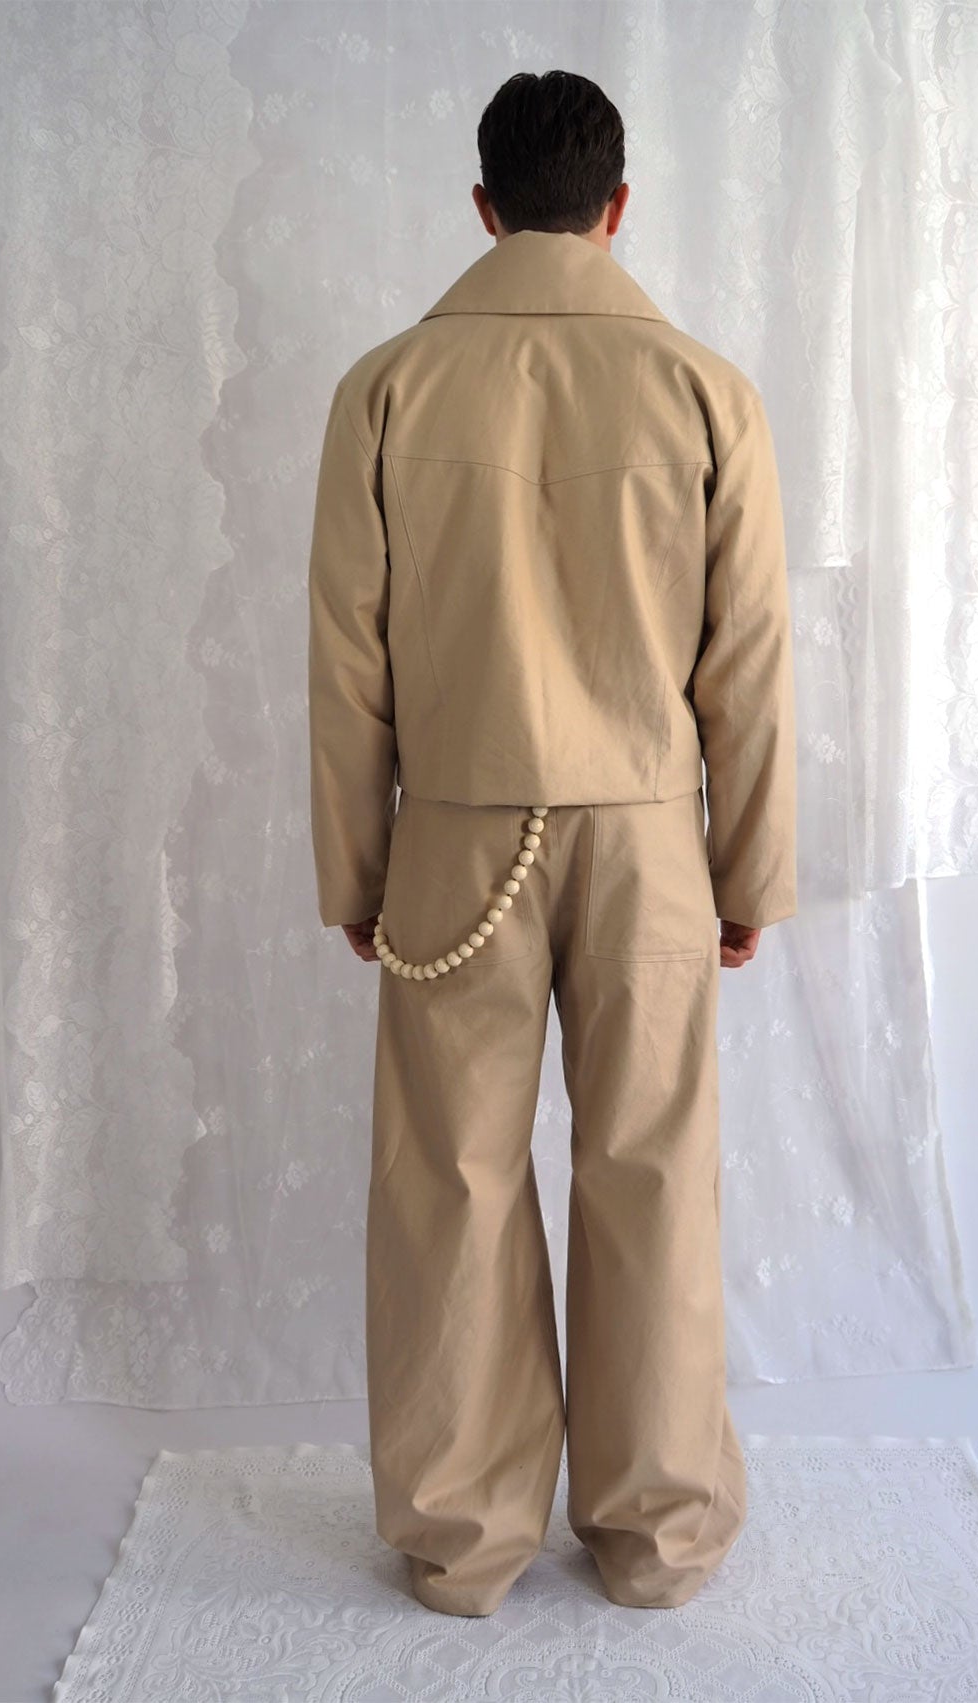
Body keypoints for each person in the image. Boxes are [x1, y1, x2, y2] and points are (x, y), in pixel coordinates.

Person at [307, 68, 796, 1618]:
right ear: (617, 207)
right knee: (651, 1170)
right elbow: (747, 659)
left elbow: (346, 661)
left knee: (449, 1176)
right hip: (647, 837)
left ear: (482, 206)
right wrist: (749, 871)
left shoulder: (387, 387)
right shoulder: (703, 389)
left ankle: (461, 1540)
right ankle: (656, 1536)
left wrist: (355, 868)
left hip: (456, 838)